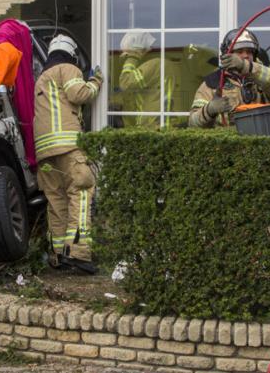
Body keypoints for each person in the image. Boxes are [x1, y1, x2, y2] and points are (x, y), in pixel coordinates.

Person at [33, 34, 103, 274]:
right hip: (68, 146)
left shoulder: (41, 78)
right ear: (71, 53)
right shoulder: (68, 68)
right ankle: (79, 255)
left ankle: (59, 255)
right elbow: (78, 95)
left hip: (44, 152)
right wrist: (95, 81)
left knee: (56, 201)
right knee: (81, 193)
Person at [188, 28, 270, 128]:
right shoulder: (212, 83)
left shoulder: (262, 77)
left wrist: (246, 66)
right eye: (239, 51)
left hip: (261, 136)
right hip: (228, 138)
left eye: (249, 52)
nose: (245, 56)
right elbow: (193, 123)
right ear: (227, 54)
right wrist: (209, 110)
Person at [117, 31, 178, 128]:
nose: (123, 56)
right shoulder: (158, 64)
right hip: (158, 124)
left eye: (126, 53)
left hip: (153, 126)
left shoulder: (154, 64)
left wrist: (133, 56)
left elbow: (126, 84)